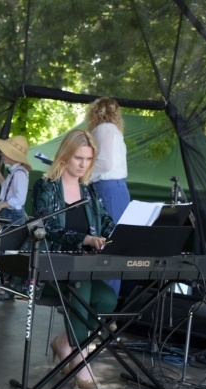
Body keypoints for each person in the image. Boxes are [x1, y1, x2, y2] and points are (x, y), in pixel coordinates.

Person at [33, 129, 116, 389]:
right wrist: (85, 239)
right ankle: (80, 362)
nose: (83, 164)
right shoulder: (46, 186)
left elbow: (107, 223)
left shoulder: (89, 190)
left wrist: (117, 235)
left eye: (89, 159)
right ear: (65, 155)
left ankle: (64, 342)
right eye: (78, 157)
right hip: (51, 267)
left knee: (107, 300)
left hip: (83, 268)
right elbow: (49, 228)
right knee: (83, 290)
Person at [86, 97, 130, 295]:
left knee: (106, 245)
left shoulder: (101, 129)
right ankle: (106, 308)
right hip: (118, 189)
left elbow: (105, 164)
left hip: (106, 188)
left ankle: (102, 304)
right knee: (115, 246)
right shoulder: (115, 131)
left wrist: (83, 174)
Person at [0, 135, 30, 225]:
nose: (1, 154)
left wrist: (1, 205)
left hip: (14, 215)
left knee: (9, 238)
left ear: (12, 155)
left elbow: (20, 199)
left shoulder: (20, 173)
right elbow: (6, 186)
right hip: (9, 212)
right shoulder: (15, 171)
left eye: (4, 151)